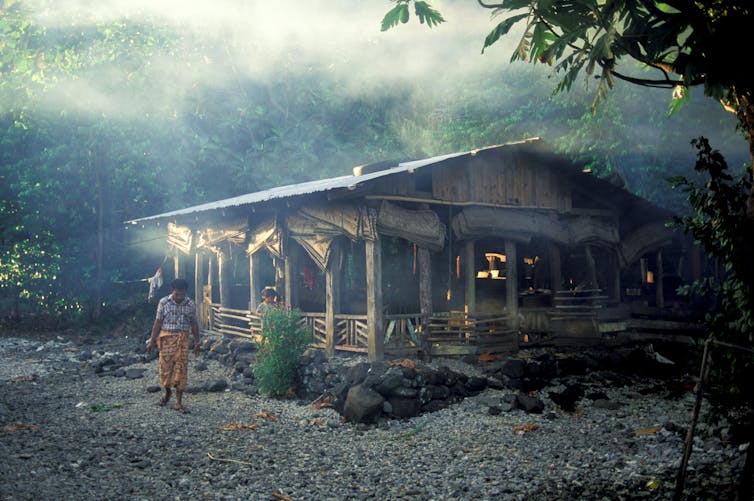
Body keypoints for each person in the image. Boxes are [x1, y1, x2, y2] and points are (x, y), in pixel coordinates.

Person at [146, 278, 200, 414]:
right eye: (176, 294)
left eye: (182, 294)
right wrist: (152, 341)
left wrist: (197, 342)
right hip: (166, 339)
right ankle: (167, 393)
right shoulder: (164, 302)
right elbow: (158, 322)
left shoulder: (191, 304)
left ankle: (178, 402)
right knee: (165, 368)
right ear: (172, 291)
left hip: (183, 339)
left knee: (181, 369)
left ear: (185, 292)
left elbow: (194, 324)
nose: (179, 297)